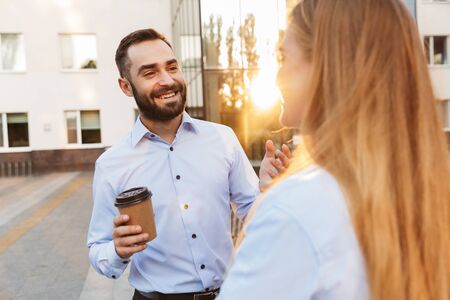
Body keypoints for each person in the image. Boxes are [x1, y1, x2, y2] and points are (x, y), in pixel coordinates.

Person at [217, 0, 450, 299]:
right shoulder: (426, 192)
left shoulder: (295, 207)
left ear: (326, 68)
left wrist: (270, 202)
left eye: (284, 56)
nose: (277, 75)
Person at [86, 28, 290, 300]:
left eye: (172, 67)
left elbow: (254, 215)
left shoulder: (223, 138)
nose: (167, 80)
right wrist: (117, 250)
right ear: (126, 86)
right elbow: (97, 248)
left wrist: (267, 192)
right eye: (150, 73)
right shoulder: (112, 164)